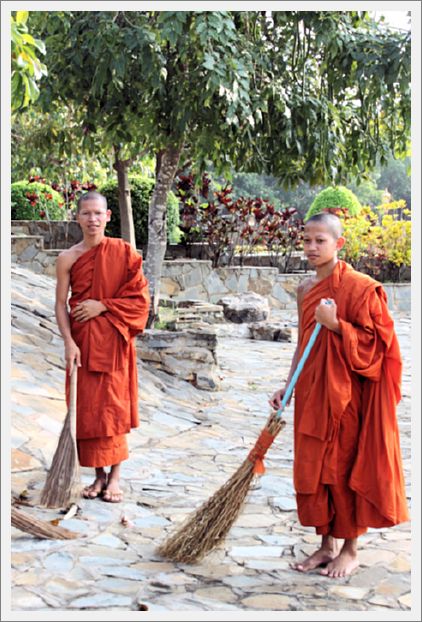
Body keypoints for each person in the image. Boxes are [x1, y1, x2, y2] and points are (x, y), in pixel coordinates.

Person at [270, 212, 409, 578]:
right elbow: (303, 343)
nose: (312, 247)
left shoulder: (361, 287)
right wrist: (289, 384)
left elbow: (379, 346)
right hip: (313, 391)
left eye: (321, 240)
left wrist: (337, 326)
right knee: (315, 468)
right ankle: (326, 544)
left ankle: (350, 548)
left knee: (343, 466)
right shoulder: (305, 290)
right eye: (307, 240)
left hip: (347, 396)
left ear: (338, 244)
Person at [55, 191, 150, 502]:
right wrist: (69, 343)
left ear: (108, 216)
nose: (93, 219)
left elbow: (139, 300)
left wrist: (102, 306)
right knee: (88, 410)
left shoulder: (123, 253)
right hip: (82, 344)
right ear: (78, 217)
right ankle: (98, 476)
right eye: (86, 213)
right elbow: (60, 306)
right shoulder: (67, 258)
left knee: (114, 409)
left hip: (115, 344)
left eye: (98, 213)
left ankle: (115, 478)